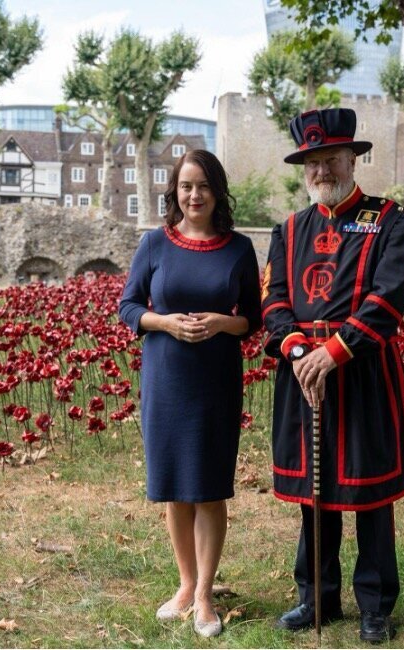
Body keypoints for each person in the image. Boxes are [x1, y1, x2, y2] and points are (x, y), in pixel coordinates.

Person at [261, 108, 404, 643]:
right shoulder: (287, 230)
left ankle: (375, 605)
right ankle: (316, 597)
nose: (322, 170)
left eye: (331, 158)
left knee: (370, 494)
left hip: (363, 372)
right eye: (312, 162)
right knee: (315, 492)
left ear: (353, 158)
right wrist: (300, 349)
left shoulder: (392, 220)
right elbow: (274, 300)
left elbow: (386, 300)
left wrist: (334, 350)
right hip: (302, 371)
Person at [118, 149, 262, 638]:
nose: (194, 195)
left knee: (208, 486)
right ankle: (184, 584)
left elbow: (254, 319)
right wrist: (164, 322)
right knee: (174, 487)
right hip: (166, 376)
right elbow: (129, 306)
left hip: (216, 379)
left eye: (202, 186)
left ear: (217, 190)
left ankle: (205, 594)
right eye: (185, 186)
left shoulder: (239, 248)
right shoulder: (154, 244)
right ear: (174, 192)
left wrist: (223, 322)